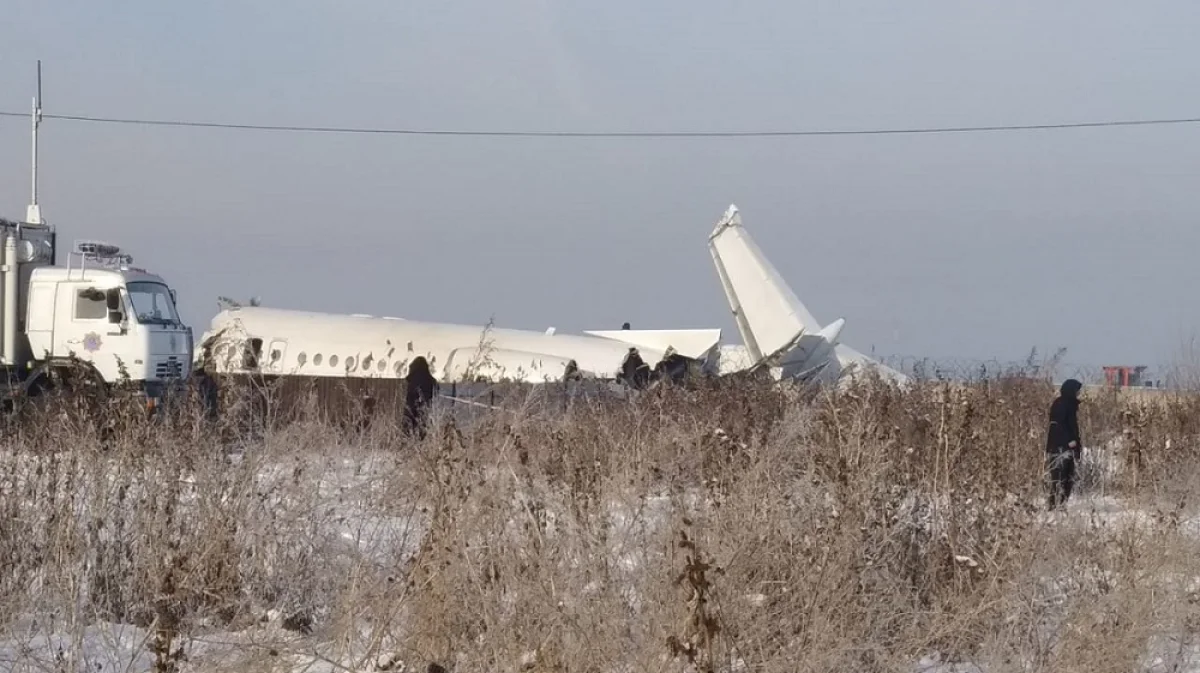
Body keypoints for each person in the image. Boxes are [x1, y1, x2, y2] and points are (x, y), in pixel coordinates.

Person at [1045, 378, 1084, 510]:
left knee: (1068, 478)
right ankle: (1053, 505)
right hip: (1059, 448)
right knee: (1058, 477)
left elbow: (1072, 426)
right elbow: (1058, 425)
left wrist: (1077, 446)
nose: (1078, 393)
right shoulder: (1060, 404)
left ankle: (1061, 504)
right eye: (1077, 391)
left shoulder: (1071, 405)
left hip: (1070, 447)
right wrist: (1069, 440)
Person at [402, 356, 437, 439]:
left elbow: (409, 392)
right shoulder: (430, 380)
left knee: (408, 430)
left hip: (411, 407)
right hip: (425, 408)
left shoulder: (411, 378)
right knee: (422, 429)